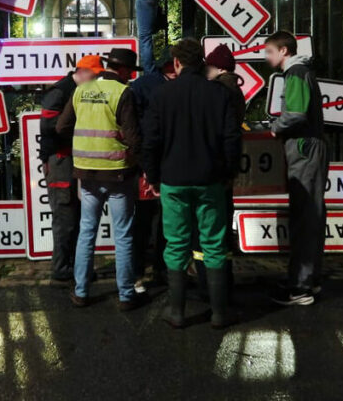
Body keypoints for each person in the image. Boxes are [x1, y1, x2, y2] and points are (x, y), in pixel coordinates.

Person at [142, 39, 241, 329]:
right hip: (210, 179)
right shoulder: (219, 94)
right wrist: (230, 172)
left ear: (176, 63)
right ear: (201, 62)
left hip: (173, 181)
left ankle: (177, 311)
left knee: (176, 244)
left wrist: (152, 176)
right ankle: (219, 313)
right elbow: (232, 139)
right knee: (213, 243)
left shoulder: (161, 95)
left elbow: (151, 141)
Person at [56, 48, 143, 310]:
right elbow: (133, 137)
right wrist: (142, 165)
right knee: (124, 235)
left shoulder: (81, 90)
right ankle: (126, 295)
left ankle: (81, 292)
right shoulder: (122, 92)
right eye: (130, 73)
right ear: (125, 70)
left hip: (86, 173)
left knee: (86, 232)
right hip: (118, 172)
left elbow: (60, 127)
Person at [263, 31, 328, 306]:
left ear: (284, 51)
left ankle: (299, 287)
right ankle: (305, 279)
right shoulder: (300, 72)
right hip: (309, 147)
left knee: (305, 215)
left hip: (304, 149)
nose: (266, 57)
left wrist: (275, 127)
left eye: (269, 51)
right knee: (309, 213)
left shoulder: (296, 73)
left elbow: (296, 113)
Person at [39, 54, 104, 283]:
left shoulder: (70, 90)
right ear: (84, 72)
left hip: (69, 160)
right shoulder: (61, 91)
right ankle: (62, 268)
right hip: (61, 161)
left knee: (74, 216)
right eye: (95, 76)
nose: (96, 81)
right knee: (65, 218)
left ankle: (73, 267)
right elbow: (50, 126)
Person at [197, 44, 247, 296]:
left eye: (208, 66)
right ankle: (223, 284)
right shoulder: (235, 88)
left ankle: (212, 287)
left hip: (215, 168)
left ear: (217, 67)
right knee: (222, 228)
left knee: (210, 231)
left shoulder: (219, 90)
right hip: (226, 168)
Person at [128, 57, 177, 292]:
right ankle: (157, 269)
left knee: (146, 221)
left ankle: (143, 271)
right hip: (157, 162)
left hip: (149, 163)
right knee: (155, 221)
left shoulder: (143, 85)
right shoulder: (153, 86)